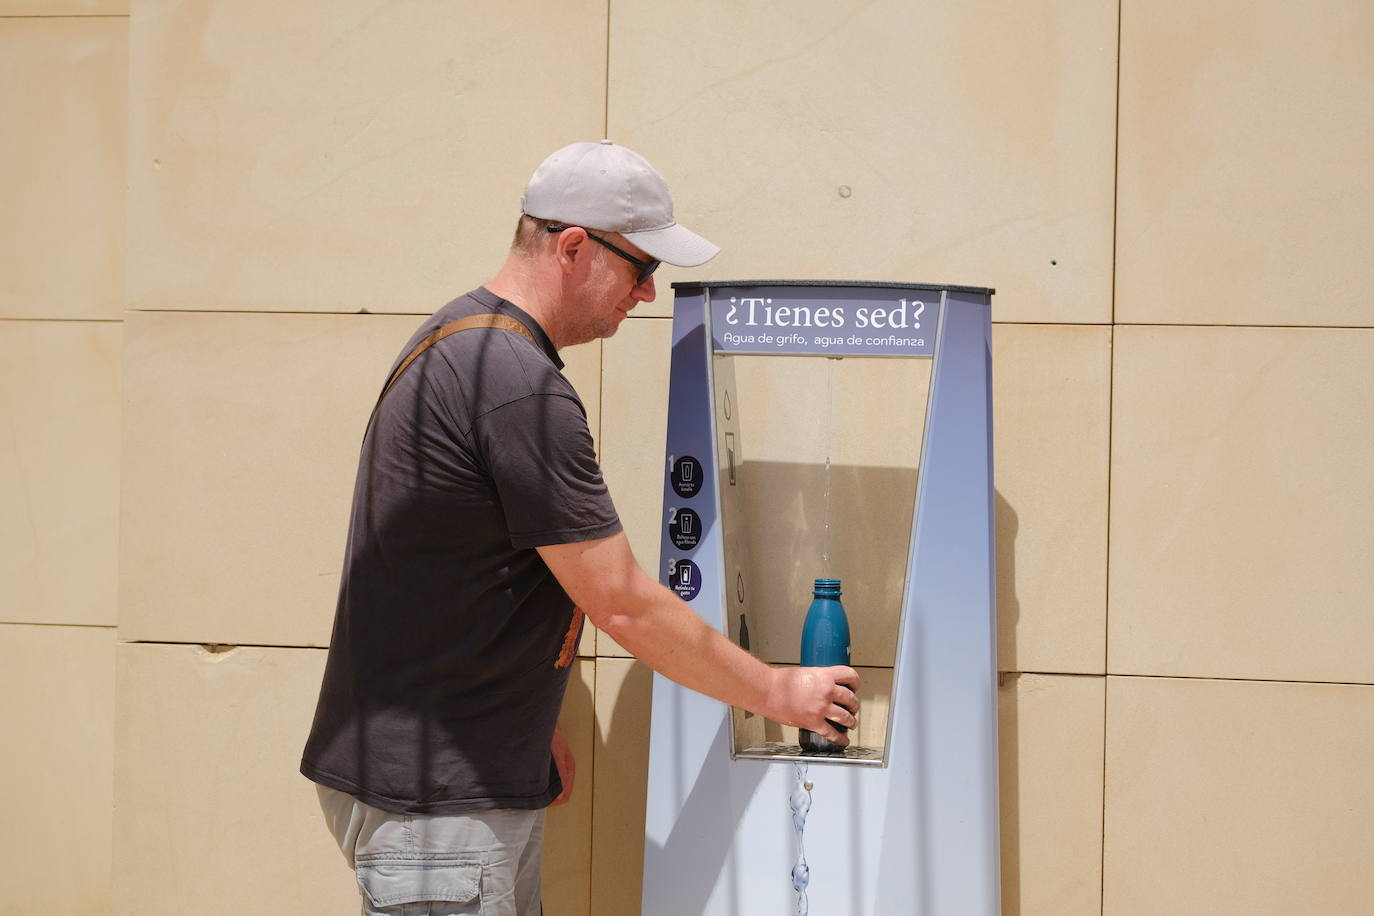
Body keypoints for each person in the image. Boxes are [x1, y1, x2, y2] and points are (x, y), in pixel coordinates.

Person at [301, 140, 860, 915]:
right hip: (441, 805)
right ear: (571, 247)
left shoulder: (459, 339)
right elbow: (620, 602)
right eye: (640, 267)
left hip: (451, 779)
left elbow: (456, 572)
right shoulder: (515, 386)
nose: (649, 291)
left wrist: (534, 724)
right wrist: (779, 691)